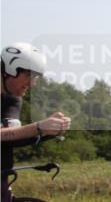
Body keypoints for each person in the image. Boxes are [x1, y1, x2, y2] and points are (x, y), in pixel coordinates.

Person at [1, 42, 72, 174]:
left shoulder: (13, 97)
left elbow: (8, 138)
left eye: (35, 77)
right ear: (10, 70)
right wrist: (37, 128)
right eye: (29, 76)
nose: (32, 83)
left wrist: (46, 132)